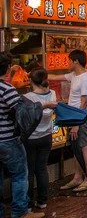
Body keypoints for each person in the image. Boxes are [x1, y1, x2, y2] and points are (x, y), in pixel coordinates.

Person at [1, 53, 48, 218]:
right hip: (8, 140)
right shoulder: (7, 89)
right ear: (8, 69)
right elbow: (21, 112)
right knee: (20, 174)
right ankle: (20, 212)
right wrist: (43, 106)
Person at [49, 50, 87, 193]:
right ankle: (77, 177)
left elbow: (84, 103)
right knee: (76, 148)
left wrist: (76, 123)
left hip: (80, 118)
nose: (68, 63)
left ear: (76, 61)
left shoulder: (85, 79)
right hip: (74, 118)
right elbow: (55, 77)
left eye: (69, 60)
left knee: (83, 147)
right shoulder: (73, 76)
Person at [24, 68, 57, 210]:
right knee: (42, 169)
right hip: (46, 136)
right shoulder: (53, 94)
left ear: (31, 80)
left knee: (29, 171)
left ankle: (28, 203)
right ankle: (42, 201)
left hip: (31, 138)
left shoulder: (28, 97)